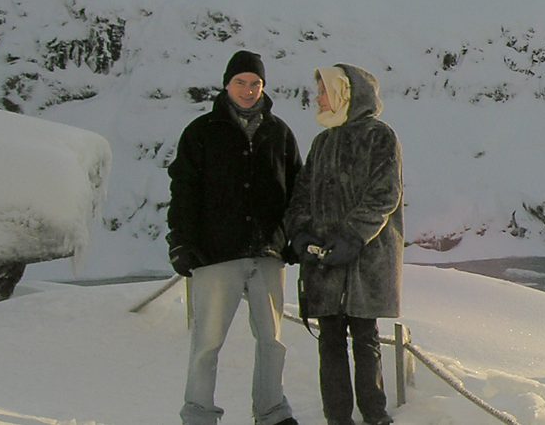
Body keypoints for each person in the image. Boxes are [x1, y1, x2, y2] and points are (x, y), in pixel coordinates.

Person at [166, 50, 301, 425]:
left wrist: (292, 237)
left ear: (264, 87)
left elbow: (297, 192)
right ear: (227, 84)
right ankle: (198, 414)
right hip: (215, 253)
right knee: (207, 343)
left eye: (255, 83)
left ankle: (272, 412)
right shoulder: (200, 133)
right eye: (240, 82)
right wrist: (180, 241)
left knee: (273, 342)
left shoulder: (280, 133)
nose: (248, 90)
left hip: (268, 253)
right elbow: (184, 191)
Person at [286, 63, 404, 425]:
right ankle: (337, 418)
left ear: (345, 94)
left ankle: (375, 416)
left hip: (366, 260)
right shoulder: (322, 142)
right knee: (330, 342)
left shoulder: (379, 137)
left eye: (324, 91)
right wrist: (301, 232)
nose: (318, 98)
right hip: (325, 262)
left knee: (366, 341)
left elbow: (385, 194)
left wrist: (353, 236)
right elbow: (302, 195)